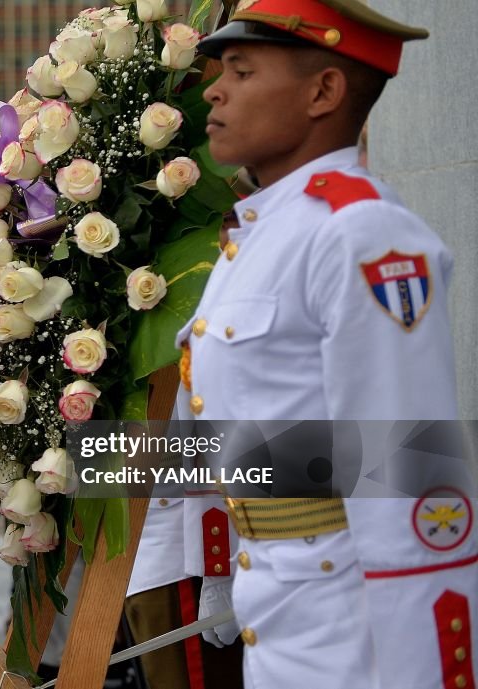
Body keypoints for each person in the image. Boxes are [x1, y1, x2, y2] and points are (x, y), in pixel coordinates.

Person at [178, 2, 475, 688]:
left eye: (242, 71)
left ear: (324, 92)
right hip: (278, 604)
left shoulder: (360, 232)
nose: (215, 90)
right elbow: (263, 439)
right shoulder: (257, 235)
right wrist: (84, 458)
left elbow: (405, 470)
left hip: (356, 626)